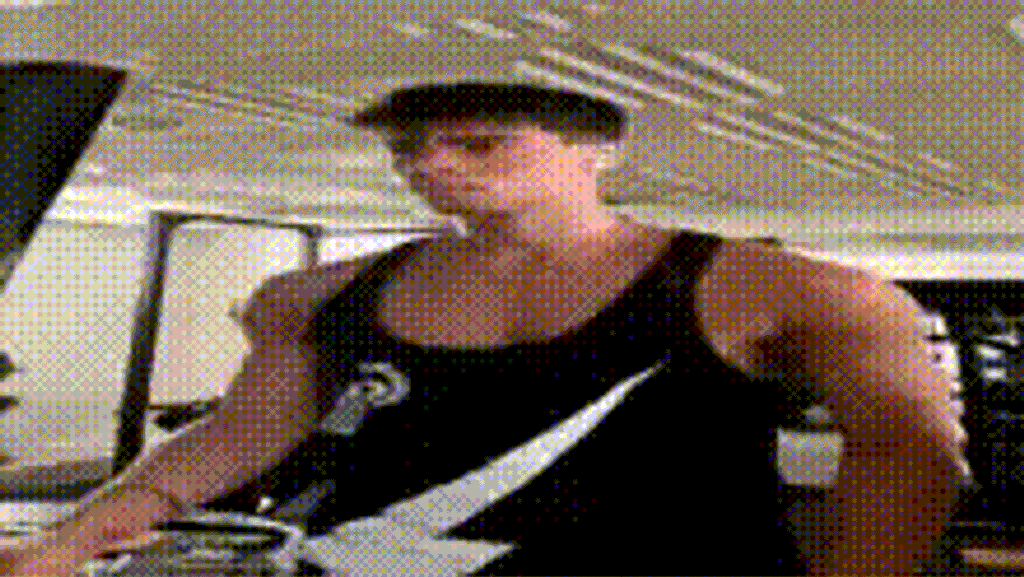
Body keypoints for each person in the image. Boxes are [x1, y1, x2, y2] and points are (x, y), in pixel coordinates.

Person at [3, 82, 964, 576]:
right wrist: (67, 541)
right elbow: (235, 438)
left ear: (595, 149)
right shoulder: (315, 296)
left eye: (477, 141)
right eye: (409, 148)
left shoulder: (794, 292)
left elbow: (903, 453)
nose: (428, 164)